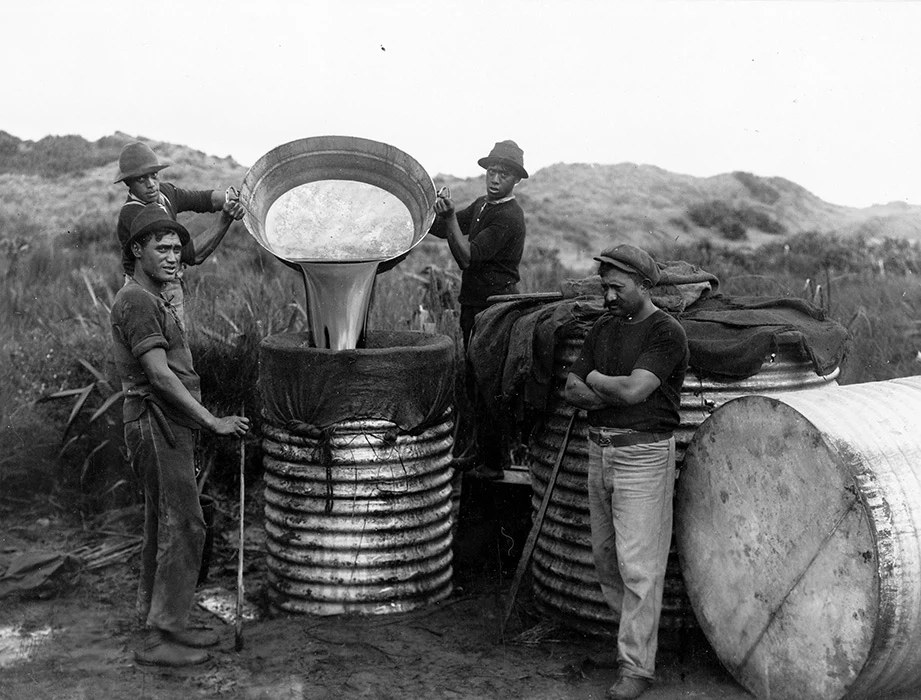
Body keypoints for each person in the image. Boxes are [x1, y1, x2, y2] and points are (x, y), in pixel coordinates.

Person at [111, 204, 250, 667]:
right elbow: (160, 376)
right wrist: (212, 421)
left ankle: (167, 624)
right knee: (185, 525)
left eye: (176, 249)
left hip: (166, 425)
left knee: (168, 525)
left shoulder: (154, 298)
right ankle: (160, 636)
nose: (173, 257)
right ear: (137, 251)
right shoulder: (136, 301)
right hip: (156, 425)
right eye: (162, 248)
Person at [563, 244, 688, 700]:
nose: (609, 296)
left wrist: (597, 381)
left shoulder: (666, 332)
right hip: (600, 451)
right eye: (605, 287)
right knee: (605, 557)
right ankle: (627, 651)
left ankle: (637, 668)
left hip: (642, 456)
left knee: (639, 567)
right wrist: (603, 389)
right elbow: (569, 387)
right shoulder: (603, 327)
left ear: (645, 285)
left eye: (617, 287)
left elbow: (636, 391)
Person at [427, 140, 528, 480]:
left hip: (495, 309)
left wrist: (451, 218)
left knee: (489, 382)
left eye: (504, 174)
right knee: (473, 380)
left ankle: (494, 462)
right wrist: (434, 209)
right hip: (474, 305)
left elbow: (467, 256)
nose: (495, 178)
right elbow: (446, 228)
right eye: (491, 171)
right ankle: (478, 449)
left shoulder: (509, 217)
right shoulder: (484, 205)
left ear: (516, 180)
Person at [113, 141, 243, 326]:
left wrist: (232, 198)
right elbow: (192, 255)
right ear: (128, 183)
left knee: (173, 344)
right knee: (158, 345)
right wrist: (225, 219)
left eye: (153, 175)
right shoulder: (135, 214)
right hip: (145, 291)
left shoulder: (164, 193)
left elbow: (203, 200)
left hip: (167, 283)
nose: (151, 184)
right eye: (141, 179)